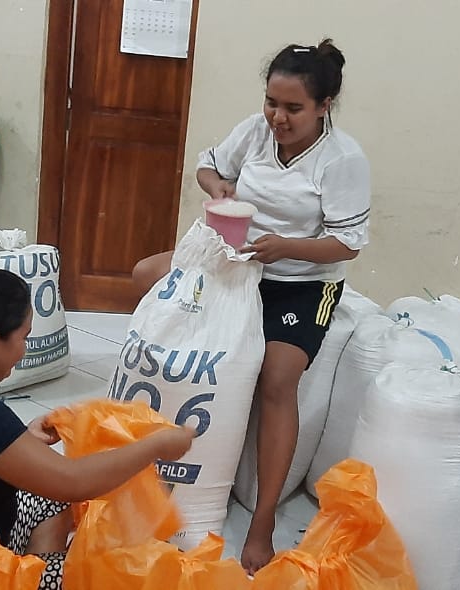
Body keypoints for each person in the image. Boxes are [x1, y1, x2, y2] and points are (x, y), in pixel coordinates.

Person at [131, 39, 369, 573]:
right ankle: (142, 451)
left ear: (324, 106)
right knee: (146, 277)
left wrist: (285, 246)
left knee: (278, 378)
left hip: (302, 280)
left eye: (293, 108)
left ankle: (261, 523)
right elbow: (208, 168)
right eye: (271, 103)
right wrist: (222, 194)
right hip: (239, 260)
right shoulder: (256, 130)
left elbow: (347, 244)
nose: (278, 118)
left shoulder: (342, 160)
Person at [0, 268, 195, 590]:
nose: (25, 349)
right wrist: (155, 446)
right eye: (23, 337)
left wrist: (23, 440)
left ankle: (29, 576)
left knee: (48, 504)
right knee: (104, 575)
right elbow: (73, 482)